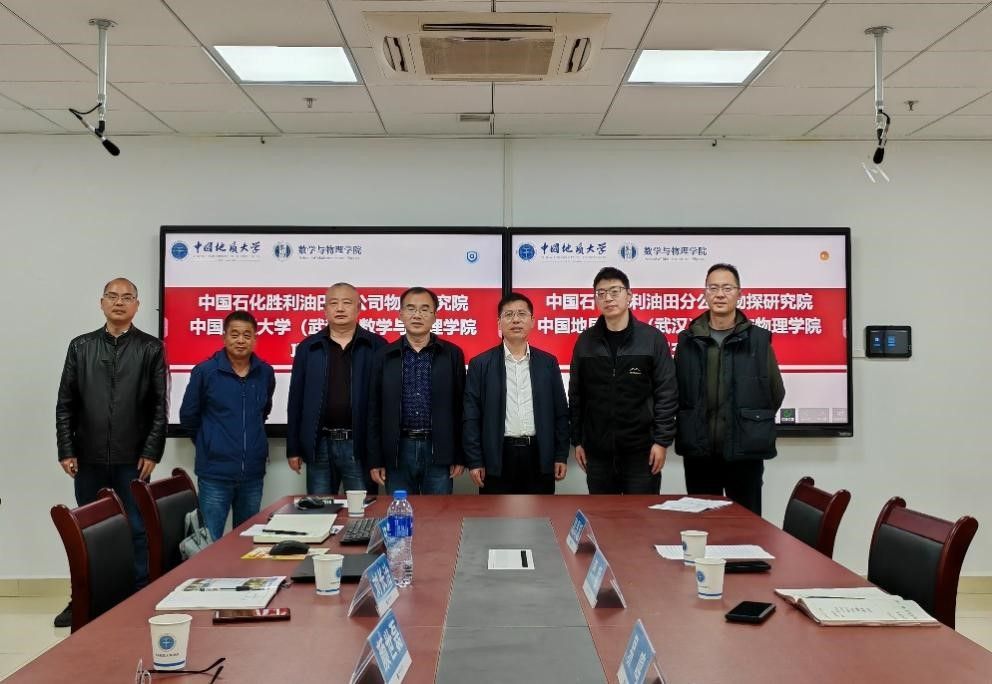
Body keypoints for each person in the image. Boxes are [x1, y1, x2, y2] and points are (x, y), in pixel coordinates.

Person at [54, 278, 167, 627]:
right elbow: (65, 403)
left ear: (137, 306)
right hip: (87, 457)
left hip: (133, 459)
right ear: (101, 303)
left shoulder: (151, 348)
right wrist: (66, 449)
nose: (119, 302)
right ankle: (84, 599)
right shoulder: (81, 346)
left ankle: (138, 596)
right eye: (113, 297)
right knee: (87, 531)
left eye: (127, 297)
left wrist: (152, 450)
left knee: (137, 528)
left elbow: (160, 406)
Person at [674, 263, 785, 515]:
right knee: (703, 525)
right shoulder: (688, 340)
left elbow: (775, 391)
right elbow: (677, 391)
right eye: (713, 288)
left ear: (739, 293)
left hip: (745, 451)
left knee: (746, 525)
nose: (720, 294)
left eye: (727, 288)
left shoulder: (758, 340)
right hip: (700, 452)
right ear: (705, 293)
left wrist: (750, 422)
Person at [568, 267, 677, 494]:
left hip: (642, 452)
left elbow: (666, 393)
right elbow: (577, 394)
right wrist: (577, 440)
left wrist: (661, 441)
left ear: (629, 295)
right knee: (603, 514)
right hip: (598, 454)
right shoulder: (585, 342)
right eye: (601, 293)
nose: (608, 298)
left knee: (641, 514)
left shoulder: (652, 339)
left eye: (614, 291)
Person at [179, 311, 275, 541]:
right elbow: (189, 416)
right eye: (234, 334)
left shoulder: (265, 372)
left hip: (252, 474)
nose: (240, 340)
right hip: (215, 473)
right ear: (224, 337)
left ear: (255, 339)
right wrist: (209, 442)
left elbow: (263, 411)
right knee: (209, 542)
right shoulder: (205, 371)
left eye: (247, 335)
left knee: (247, 542)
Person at [463, 293, 569, 494]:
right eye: (509, 314)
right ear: (499, 322)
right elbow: (471, 417)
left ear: (532, 321)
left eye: (522, 314)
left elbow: (561, 413)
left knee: (540, 512)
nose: (516, 320)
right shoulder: (480, 364)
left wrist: (561, 455)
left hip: (539, 455)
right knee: (496, 513)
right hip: (497, 456)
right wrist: (475, 460)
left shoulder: (548, 363)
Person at [287, 283, 386, 495]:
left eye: (347, 303)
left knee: (362, 509)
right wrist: (293, 448)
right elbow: (295, 401)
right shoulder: (308, 348)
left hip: (359, 446)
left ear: (358, 309)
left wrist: (379, 453)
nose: (340, 308)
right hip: (319, 445)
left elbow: (384, 403)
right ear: (325, 309)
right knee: (320, 509)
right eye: (333, 303)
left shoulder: (377, 346)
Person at [368, 287, 465, 495]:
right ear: (401, 314)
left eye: (424, 309)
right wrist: (376, 459)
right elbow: (373, 411)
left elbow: (460, 407)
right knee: (400, 511)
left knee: (439, 512)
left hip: (439, 449)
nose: (417, 315)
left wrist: (459, 454)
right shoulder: (383, 356)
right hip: (397, 450)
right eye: (411, 309)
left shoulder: (452, 354)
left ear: (435, 315)